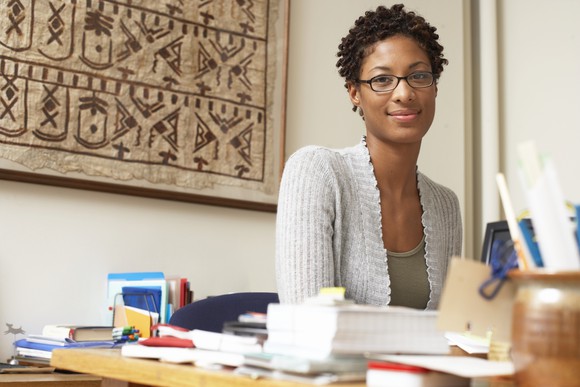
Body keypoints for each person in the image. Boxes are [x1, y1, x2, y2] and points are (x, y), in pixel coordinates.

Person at [275, 4, 462, 310]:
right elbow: (306, 321)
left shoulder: (446, 206)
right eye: (382, 80)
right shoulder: (316, 172)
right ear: (355, 93)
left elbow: (446, 331)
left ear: (434, 88)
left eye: (418, 75)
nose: (404, 93)